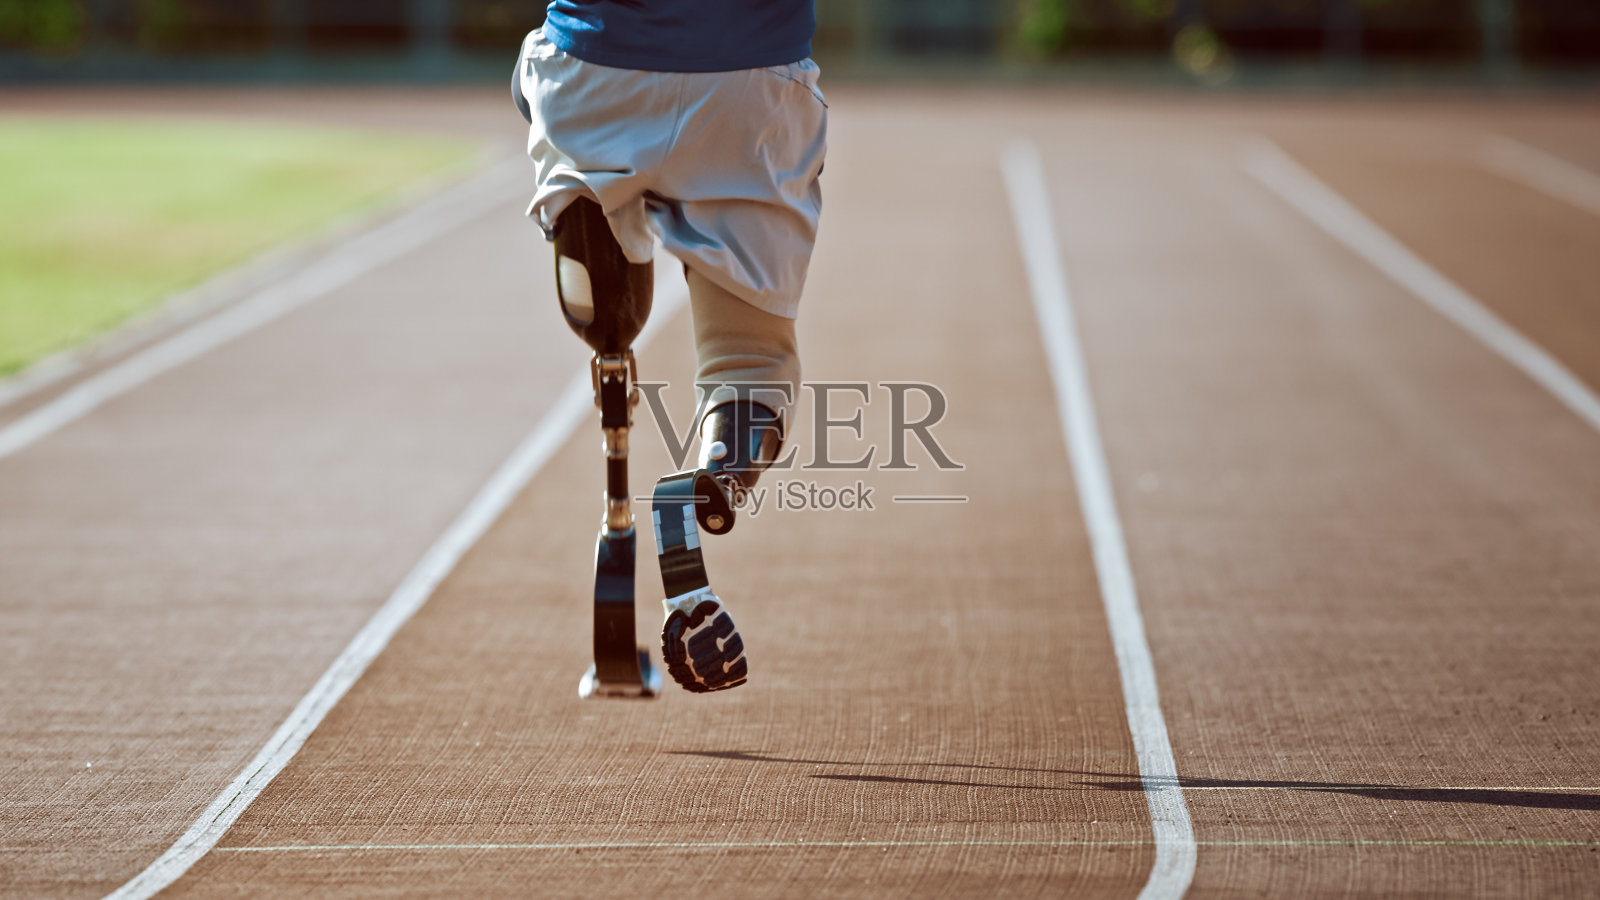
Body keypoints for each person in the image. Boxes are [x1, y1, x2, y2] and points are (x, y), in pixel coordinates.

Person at [513, 1, 827, 694]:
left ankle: (594, 258)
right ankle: (715, 472)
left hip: (592, 74)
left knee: (534, 85)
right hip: (749, 87)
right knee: (749, 358)